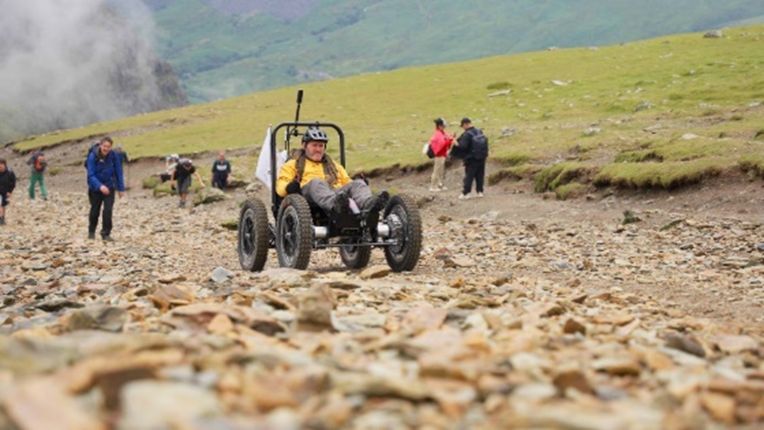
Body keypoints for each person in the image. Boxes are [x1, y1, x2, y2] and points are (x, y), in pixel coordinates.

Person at [276, 126, 388, 218]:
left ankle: (369, 205)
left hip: (337, 195)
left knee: (358, 183)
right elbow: (280, 186)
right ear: (304, 146)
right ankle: (335, 205)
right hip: (307, 196)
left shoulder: (334, 166)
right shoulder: (292, 164)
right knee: (317, 182)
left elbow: (347, 182)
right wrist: (289, 187)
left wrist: (360, 184)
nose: (318, 149)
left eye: (321, 146)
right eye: (314, 145)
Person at [86, 136, 125, 241]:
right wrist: (100, 186)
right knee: (95, 210)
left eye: (108, 147)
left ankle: (106, 233)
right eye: (104, 146)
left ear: (111, 147)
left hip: (110, 186)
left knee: (108, 210)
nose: (106, 149)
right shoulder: (92, 156)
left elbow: (118, 172)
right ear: (100, 145)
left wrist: (121, 188)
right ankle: (91, 231)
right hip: (95, 188)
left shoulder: (114, 156)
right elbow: (91, 175)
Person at [455, 117, 489, 199]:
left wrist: (455, 143)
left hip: (471, 158)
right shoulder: (479, 131)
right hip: (482, 157)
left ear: (465, 124)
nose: (463, 128)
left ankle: (466, 193)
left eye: (462, 126)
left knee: (469, 176)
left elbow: (463, 146)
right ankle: (480, 191)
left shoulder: (467, 134)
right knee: (480, 174)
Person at [428, 118, 455, 192]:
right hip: (439, 155)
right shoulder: (438, 134)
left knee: (441, 171)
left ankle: (440, 184)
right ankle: (433, 186)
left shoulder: (442, 133)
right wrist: (449, 140)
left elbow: (446, 140)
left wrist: (450, 139)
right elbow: (442, 143)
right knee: (436, 170)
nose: (444, 127)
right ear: (439, 126)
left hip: (443, 154)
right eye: (443, 126)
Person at [0, 158, 17, 226]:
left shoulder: (10, 172)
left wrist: (10, 192)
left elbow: (13, 183)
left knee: (3, 205)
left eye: (1, 165)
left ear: (4, 165)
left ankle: (2, 218)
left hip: (5, 191)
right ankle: (1, 218)